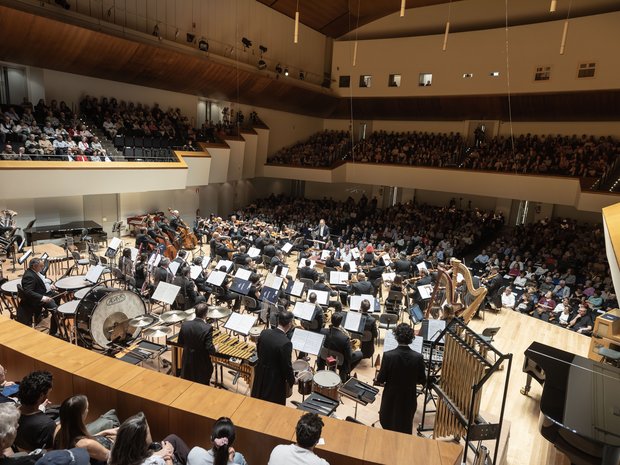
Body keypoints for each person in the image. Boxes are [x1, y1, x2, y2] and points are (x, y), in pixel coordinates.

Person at [376, 323, 426, 434]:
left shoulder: (388, 356)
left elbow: (381, 379)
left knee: (388, 426)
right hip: (408, 399)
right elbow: (422, 379)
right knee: (405, 428)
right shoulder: (418, 357)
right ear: (411, 338)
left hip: (391, 398)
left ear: (396, 337)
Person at [53, 395, 118, 464]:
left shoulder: (58, 429)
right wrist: (119, 439)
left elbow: (78, 439)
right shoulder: (87, 444)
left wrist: (104, 432)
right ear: (81, 416)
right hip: (107, 454)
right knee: (112, 418)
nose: (88, 410)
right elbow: (112, 457)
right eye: (87, 408)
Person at [108, 412, 189, 465]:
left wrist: (158, 453)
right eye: (147, 430)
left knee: (172, 439)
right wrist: (168, 457)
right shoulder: (154, 463)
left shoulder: (116, 454)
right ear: (140, 442)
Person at [251, 311, 295, 405]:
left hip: (260, 374)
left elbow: (258, 352)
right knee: (272, 407)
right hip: (273, 381)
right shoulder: (286, 343)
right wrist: (292, 380)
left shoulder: (264, 332)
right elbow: (286, 366)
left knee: (257, 401)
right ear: (290, 324)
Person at [15, 371, 55, 451]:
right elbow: (48, 455)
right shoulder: (47, 425)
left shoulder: (10, 411)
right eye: (48, 392)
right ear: (41, 396)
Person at [177, 303, 216, 385]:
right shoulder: (208, 328)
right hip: (201, 364)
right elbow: (210, 349)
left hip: (187, 362)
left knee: (188, 385)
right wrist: (215, 348)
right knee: (202, 386)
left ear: (195, 313)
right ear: (206, 314)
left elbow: (180, 342)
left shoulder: (185, 325)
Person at [18, 258, 59, 335]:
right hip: (36, 299)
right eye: (41, 266)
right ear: (34, 266)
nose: (43, 268)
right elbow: (28, 292)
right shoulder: (29, 276)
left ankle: (56, 319)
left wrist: (50, 286)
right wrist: (43, 298)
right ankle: (53, 332)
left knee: (57, 296)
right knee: (55, 311)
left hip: (43, 293)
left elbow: (42, 281)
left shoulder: (35, 272)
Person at [317, 312, 362, 382]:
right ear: (341, 322)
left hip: (324, 358)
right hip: (339, 362)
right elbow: (349, 356)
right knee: (360, 354)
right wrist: (354, 349)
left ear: (331, 320)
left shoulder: (322, 331)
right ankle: (344, 374)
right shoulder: (344, 338)